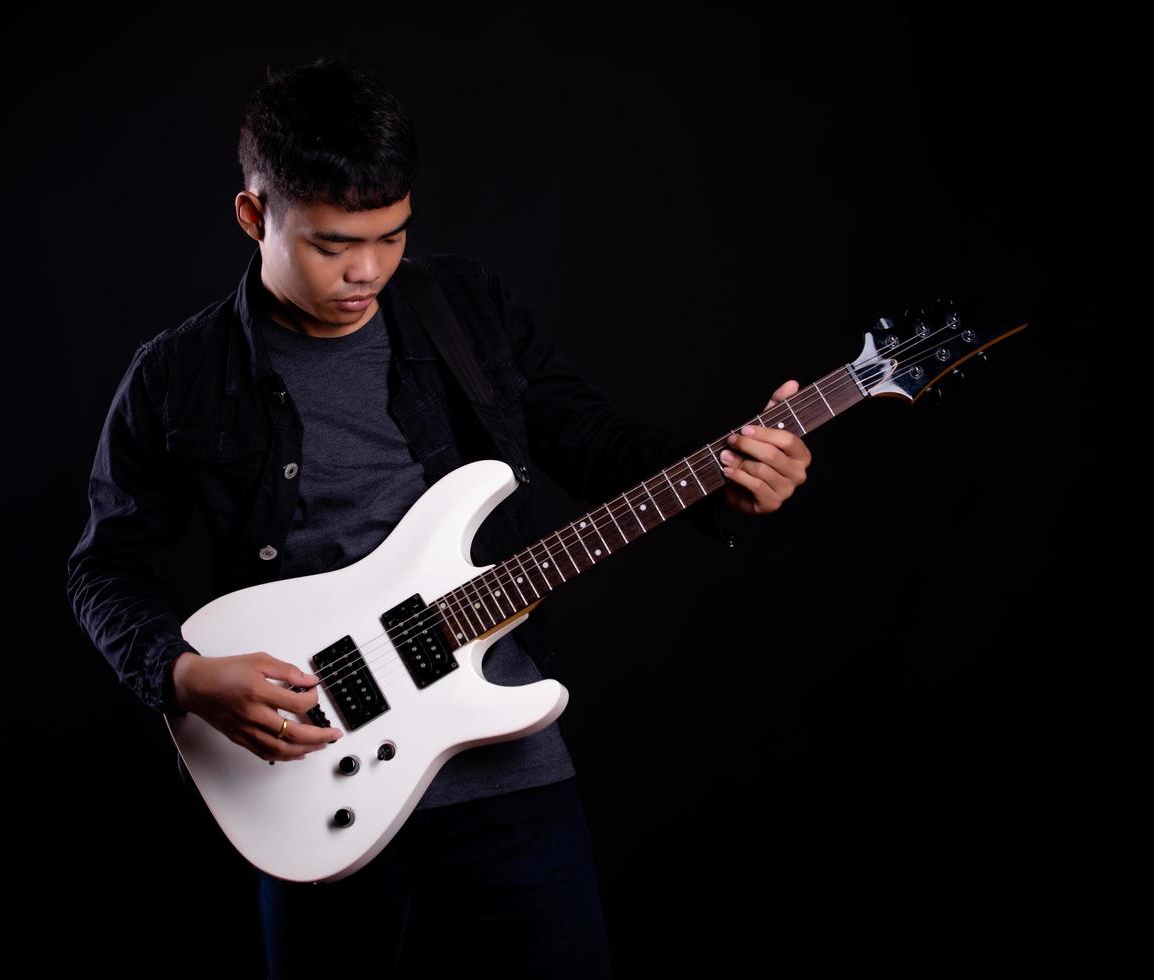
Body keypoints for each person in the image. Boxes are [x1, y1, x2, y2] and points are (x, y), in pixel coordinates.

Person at [66, 55, 811, 978]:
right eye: (334, 244)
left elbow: (588, 439)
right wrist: (183, 675)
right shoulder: (176, 374)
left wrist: (724, 477)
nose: (367, 271)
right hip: (307, 776)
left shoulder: (463, 309)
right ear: (253, 215)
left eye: (392, 235)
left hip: (502, 765)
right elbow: (103, 569)